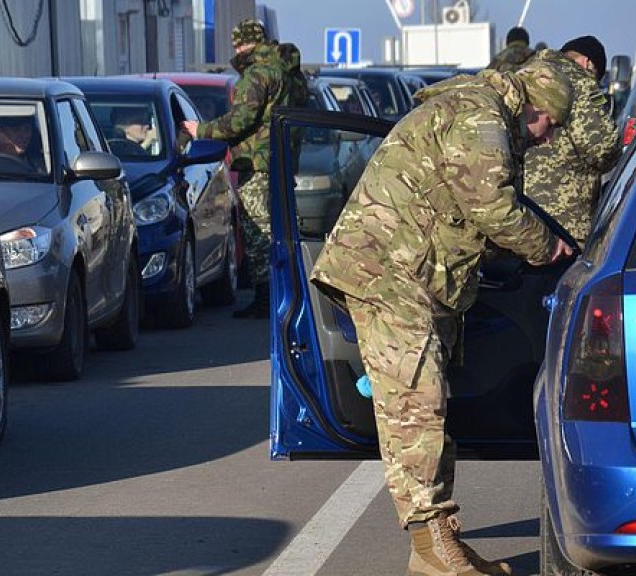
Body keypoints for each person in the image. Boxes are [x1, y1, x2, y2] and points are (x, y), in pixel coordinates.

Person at [310, 60, 574, 576]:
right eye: (551, 125)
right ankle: (431, 547)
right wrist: (548, 248)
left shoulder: (484, 114)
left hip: (411, 277)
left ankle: (438, 542)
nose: (549, 138)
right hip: (386, 274)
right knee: (417, 408)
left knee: (429, 408)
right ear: (535, 108)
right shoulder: (481, 117)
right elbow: (492, 208)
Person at [182, 19, 308, 319]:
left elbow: (240, 121)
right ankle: (288, 293)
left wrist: (201, 130)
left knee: (258, 231)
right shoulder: (289, 72)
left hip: (258, 163)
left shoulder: (257, 73)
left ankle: (267, 298)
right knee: (281, 229)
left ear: (240, 44)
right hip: (282, 160)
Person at [525, 36, 622, 245]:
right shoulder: (580, 81)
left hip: (522, 213)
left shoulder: (529, 73)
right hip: (563, 218)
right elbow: (603, 147)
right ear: (587, 62)